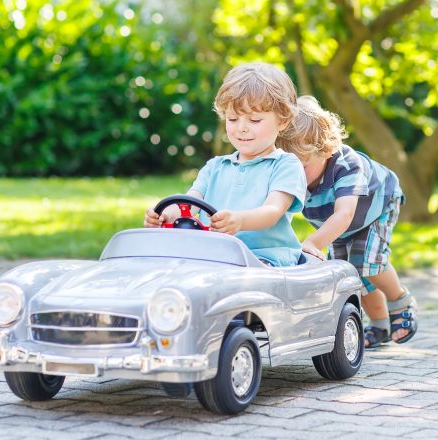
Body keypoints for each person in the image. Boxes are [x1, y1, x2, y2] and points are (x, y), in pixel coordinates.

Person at [277, 95, 418, 347]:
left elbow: (344, 214)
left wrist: (312, 242)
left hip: (376, 206)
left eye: (303, 166)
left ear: (326, 150)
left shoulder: (347, 166)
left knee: (366, 261)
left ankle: (400, 301)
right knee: (352, 274)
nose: (296, 174)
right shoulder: (291, 174)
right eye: (290, 166)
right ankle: (379, 325)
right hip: (339, 225)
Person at [144, 63, 306, 267]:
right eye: (233, 119)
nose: (241, 128)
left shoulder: (285, 165)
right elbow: (190, 204)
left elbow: (272, 211)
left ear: (283, 121)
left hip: (264, 259)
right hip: (215, 256)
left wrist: (240, 221)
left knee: (246, 278)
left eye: (254, 120)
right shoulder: (215, 167)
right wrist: (164, 215)